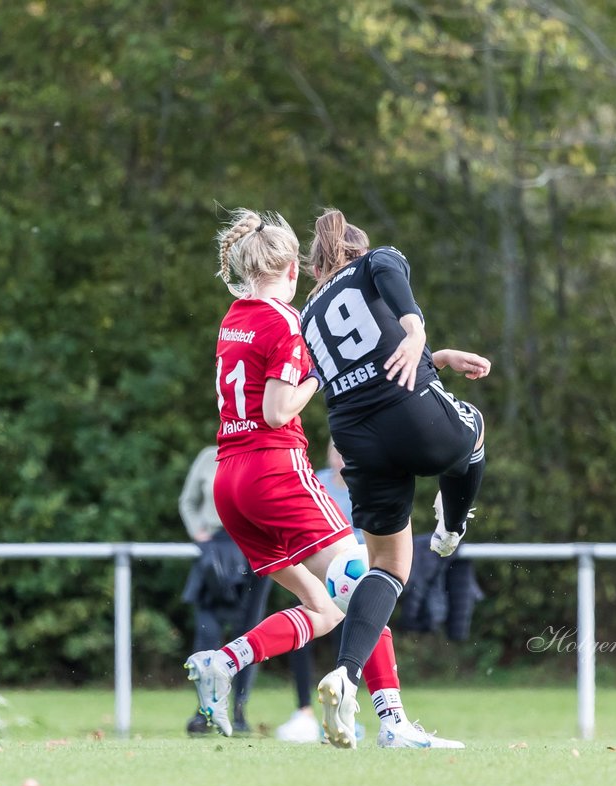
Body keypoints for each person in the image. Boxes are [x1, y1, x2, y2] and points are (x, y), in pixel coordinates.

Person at [185, 207, 462, 749]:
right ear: (292, 270)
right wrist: (312, 372)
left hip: (230, 482)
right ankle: (392, 723)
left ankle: (224, 661)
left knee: (325, 608)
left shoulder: (233, 317)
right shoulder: (285, 320)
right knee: (366, 584)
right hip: (275, 471)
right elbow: (277, 408)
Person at [300, 208, 491, 748]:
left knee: (388, 564)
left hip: (356, 438)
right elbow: (390, 286)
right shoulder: (377, 259)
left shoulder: (307, 314)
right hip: (407, 413)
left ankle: (345, 675)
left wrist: (435, 357)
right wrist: (415, 329)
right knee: (474, 429)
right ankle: (453, 527)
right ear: (355, 253)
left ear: (316, 270)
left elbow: (361, 348)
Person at [178, 444, 271, 735]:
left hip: (253, 547)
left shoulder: (264, 453)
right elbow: (188, 501)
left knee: (248, 634)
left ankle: (239, 708)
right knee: (207, 633)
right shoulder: (209, 456)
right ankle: (205, 708)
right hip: (215, 550)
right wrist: (198, 532)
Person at [276, 439, 357, 744]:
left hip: (350, 582)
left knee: (348, 642)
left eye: (344, 449)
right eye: (335, 449)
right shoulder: (317, 482)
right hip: (314, 575)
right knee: (302, 636)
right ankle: (303, 710)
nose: (339, 456)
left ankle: (347, 710)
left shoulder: (364, 485)